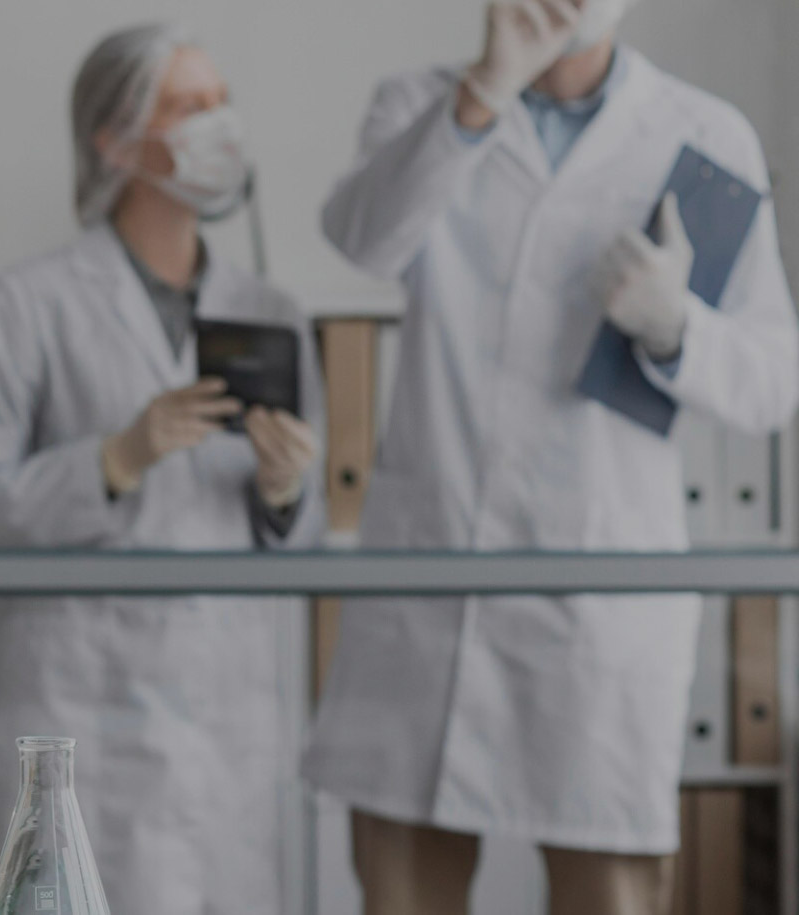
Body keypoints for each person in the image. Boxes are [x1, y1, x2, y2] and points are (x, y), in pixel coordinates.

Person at [302, 0, 799, 912]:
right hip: (431, 582)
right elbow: (362, 240)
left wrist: (677, 328)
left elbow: (774, 383)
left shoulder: (704, 132)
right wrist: (481, 96)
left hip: (597, 602)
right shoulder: (418, 104)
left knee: (606, 888)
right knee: (403, 886)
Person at [0, 24, 326, 914]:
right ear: (113, 140)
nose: (218, 125)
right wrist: (113, 460)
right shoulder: (27, 304)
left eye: (221, 102)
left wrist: (283, 491)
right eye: (188, 106)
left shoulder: (273, 314)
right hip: (85, 708)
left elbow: (303, 545)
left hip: (229, 726)